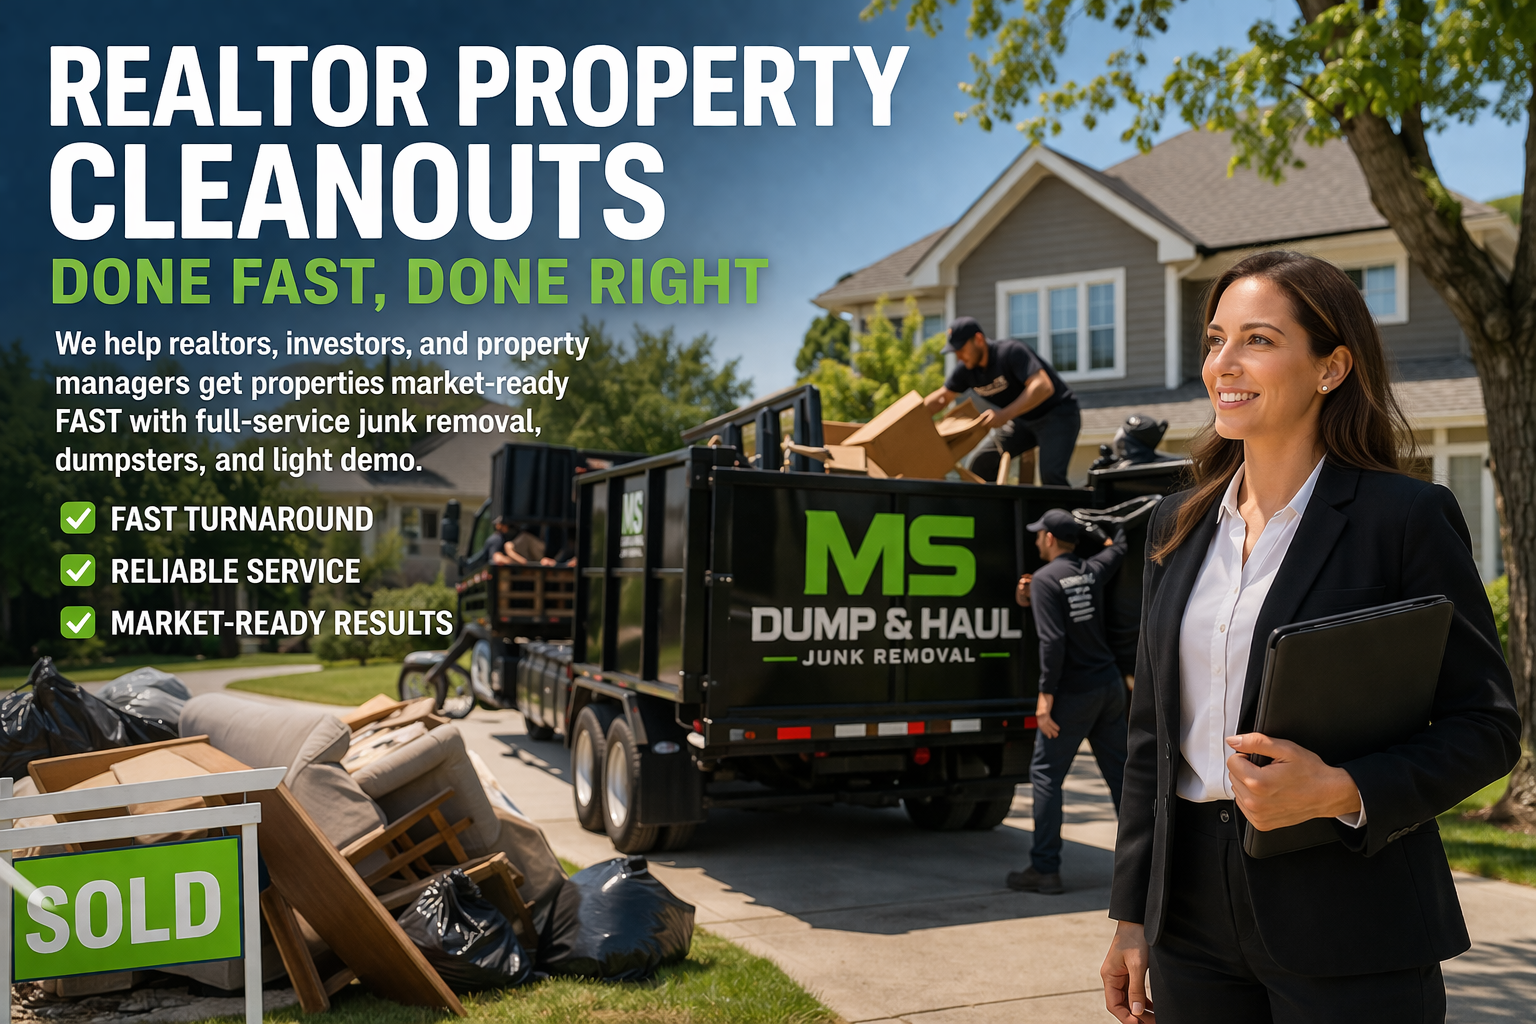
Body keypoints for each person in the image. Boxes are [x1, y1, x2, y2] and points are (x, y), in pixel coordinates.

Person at [1100, 251, 1520, 1024]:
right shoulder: (1174, 527)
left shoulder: (1405, 520)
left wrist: (1342, 790)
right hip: (1188, 920)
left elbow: (1487, 728)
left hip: (1351, 917)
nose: (1224, 363)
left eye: (1257, 340)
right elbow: (1151, 742)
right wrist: (1134, 915)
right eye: (1215, 338)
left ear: (1331, 368)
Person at [1007, 508, 1128, 895]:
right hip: (1108, 687)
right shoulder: (1092, 569)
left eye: (1039, 533)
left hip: (1072, 694)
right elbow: (1119, 546)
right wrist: (1104, 533)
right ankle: (1150, 868)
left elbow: (1053, 641)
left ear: (1049, 539)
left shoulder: (1045, 580)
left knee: (1045, 777)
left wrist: (1045, 698)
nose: (1036, 539)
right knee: (1123, 781)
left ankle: (1044, 869)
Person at [923, 316, 1081, 485]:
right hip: (1022, 421)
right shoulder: (966, 370)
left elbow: (1043, 386)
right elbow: (942, 397)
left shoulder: (1010, 352)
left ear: (978, 339)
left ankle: (1065, 512)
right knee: (981, 463)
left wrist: (1004, 415)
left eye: (962, 349)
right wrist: (908, 416)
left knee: (1051, 477)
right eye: (955, 352)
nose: (959, 356)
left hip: (1058, 415)